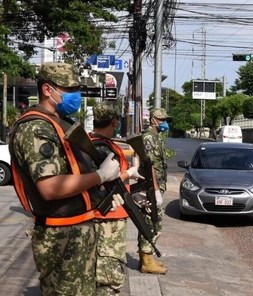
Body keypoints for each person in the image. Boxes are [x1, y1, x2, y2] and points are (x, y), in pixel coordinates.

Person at [8, 62, 123, 295]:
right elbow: (50, 187)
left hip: (78, 229)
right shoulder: (35, 128)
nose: (75, 95)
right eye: (69, 90)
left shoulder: (62, 123)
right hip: (61, 235)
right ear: (47, 90)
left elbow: (76, 171)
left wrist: (105, 190)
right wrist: (101, 175)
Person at [90, 102, 144, 295]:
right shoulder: (104, 148)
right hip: (107, 220)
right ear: (114, 122)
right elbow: (103, 182)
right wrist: (128, 173)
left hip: (107, 214)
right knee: (108, 277)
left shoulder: (90, 142)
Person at [136, 107, 171, 274]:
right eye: (161, 119)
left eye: (165, 119)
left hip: (155, 185)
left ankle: (146, 258)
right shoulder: (149, 137)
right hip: (150, 187)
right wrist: (155, 190)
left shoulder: (157, 137)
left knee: (151, 220)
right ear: (153, 120)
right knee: (153, 222)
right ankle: (146, 260)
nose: (164, 122)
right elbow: (150, 166)